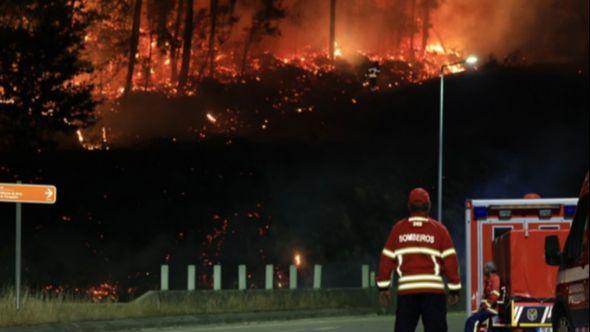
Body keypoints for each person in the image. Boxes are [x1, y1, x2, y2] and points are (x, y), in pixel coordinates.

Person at [376, 188, 461, 332]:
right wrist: (454, 290)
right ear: (428, 206)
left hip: (407, 293)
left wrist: (384, 288)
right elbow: (450, 262)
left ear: (409, 206)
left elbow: (386, 260)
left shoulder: (398, 229)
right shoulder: (440, 230)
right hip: (433, 293)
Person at [464, 262, 501, 332]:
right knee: (469, 320)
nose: (484, 270)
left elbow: (495, 295)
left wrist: (485, 306)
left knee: (473, 321)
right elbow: (485, 296)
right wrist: (481, 307)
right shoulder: (489, 280)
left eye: (486, 268)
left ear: (489, 270)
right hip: (487, 309)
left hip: (492, 309)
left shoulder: (495, 279)